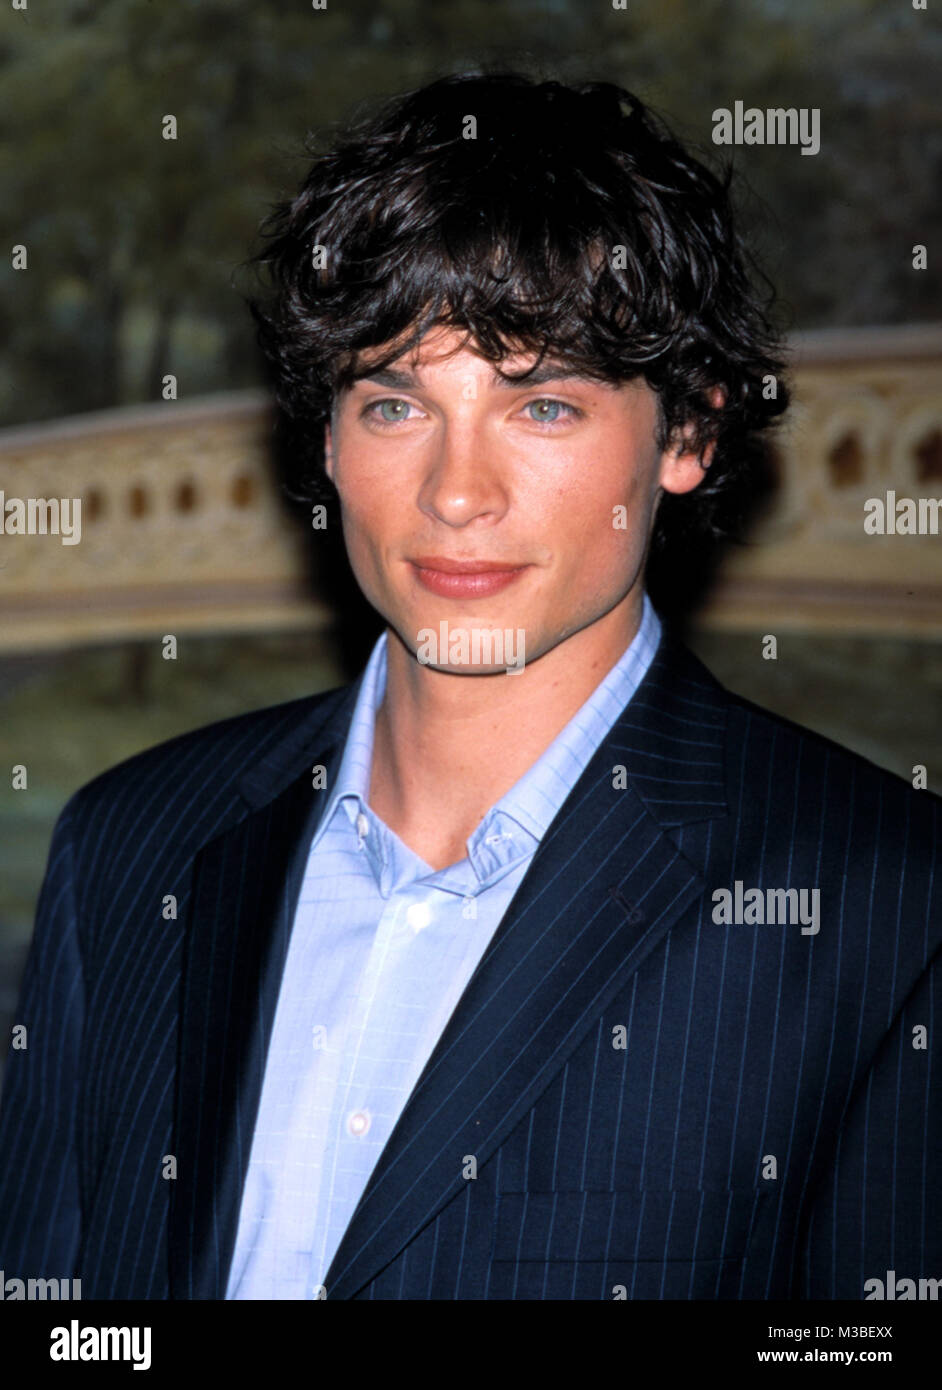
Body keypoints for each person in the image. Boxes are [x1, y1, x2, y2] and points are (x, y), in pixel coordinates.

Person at [0, 69, 938, 1302]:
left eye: (541, 404)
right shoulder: (127, 846)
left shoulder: (888, 910)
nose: (455, 493)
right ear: (326, 438)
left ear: (690, 437)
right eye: (395, 402)